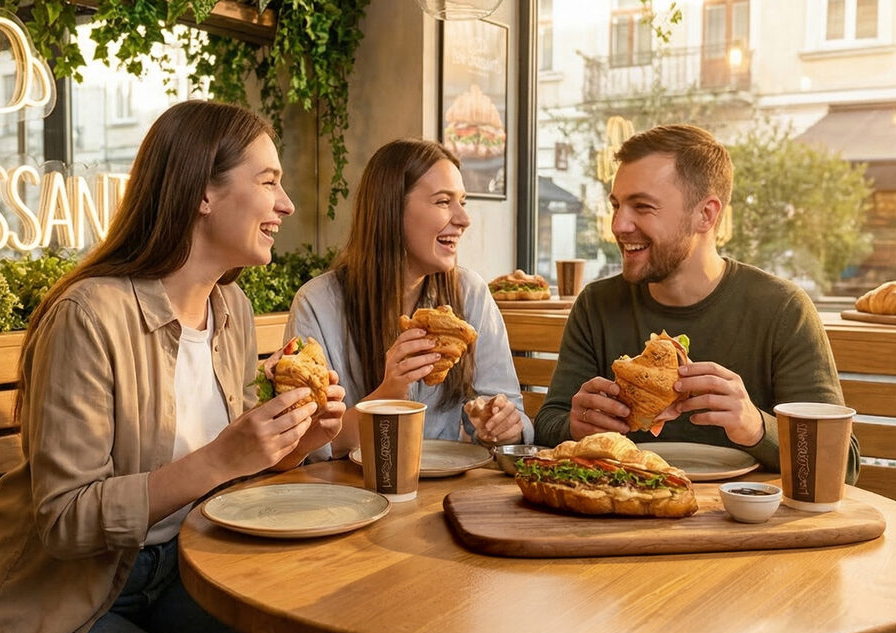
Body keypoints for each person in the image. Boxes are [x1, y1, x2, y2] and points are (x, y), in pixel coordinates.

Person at [0, 100, 355, 633]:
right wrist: (220, 457)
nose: (286, 204)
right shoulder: (87, 316)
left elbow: (232, 477)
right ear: (201, 193)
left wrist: (294, 443)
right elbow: (64, 520)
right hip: (59, 607)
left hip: (183, 572)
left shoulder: (230, 308)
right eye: (268, 181)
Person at [534, 124, 858, 482]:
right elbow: (548, 425)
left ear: (706, 214)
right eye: (616, 205)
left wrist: (755, 428)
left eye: (642, 207)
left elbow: (841, 466)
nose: (618, 224)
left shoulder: (783, 310)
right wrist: (576, 425)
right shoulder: (597, 305)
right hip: (623, 513)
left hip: (744, 527)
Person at [286, 138, 530, 459]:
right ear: (391, 209)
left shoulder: (470, 293)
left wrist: (500, 424)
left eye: (463, 202)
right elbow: (309, 446)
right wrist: (389, 394)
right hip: (346, 492)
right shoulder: (317, 304)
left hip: (443, 488)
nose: (463, 219)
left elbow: (511, 410)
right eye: (444, 202)